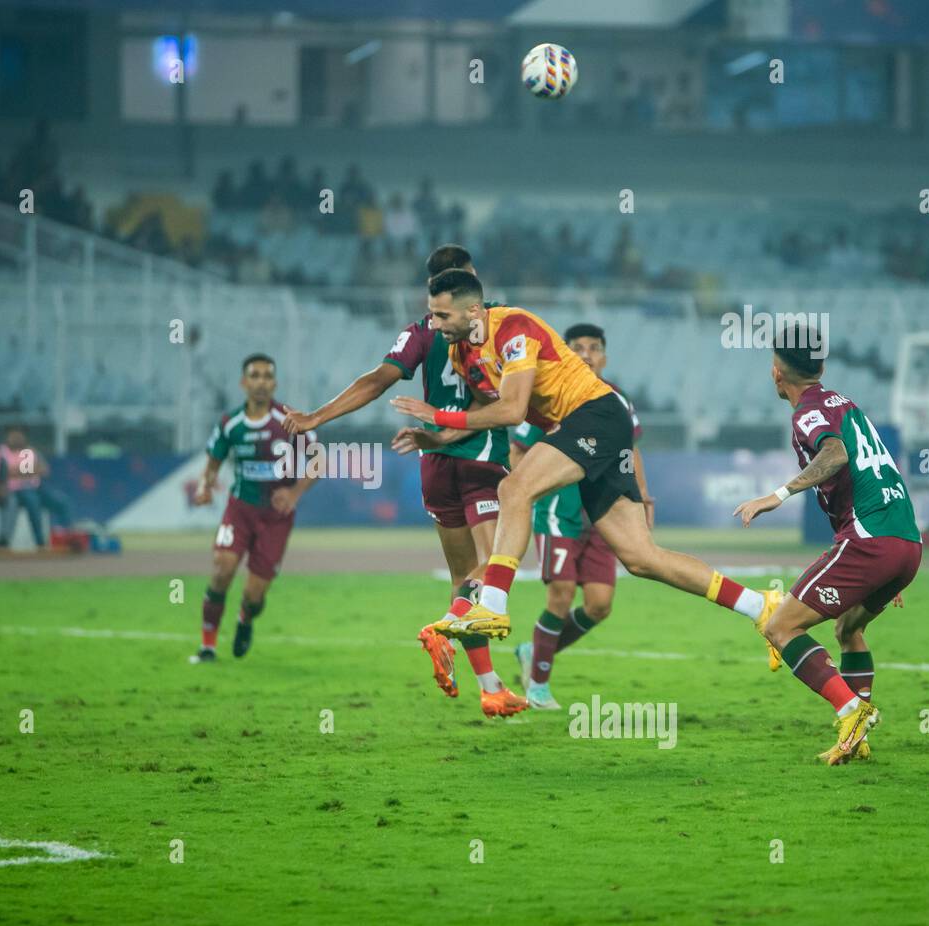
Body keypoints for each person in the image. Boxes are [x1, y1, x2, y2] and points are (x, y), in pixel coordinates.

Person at [390, 270, 779, 670]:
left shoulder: (513, 328)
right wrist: (435, 438)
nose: (434, 325)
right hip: (587, 429)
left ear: (473, 309)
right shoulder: (460, 353)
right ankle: (761, 605)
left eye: (441, 316)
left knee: (513, 490)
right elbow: (482, 412)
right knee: (642, 558)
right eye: (432, 316)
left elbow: (511, 410)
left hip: (596, 416)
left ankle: (492, 604)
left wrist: (436, 415)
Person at [285, 244, 526, 717]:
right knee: (498, 563)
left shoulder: (419, 331)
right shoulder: (495, 322)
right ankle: (443, 630)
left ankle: (491, 685)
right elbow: (505, 393)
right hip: (478, 456)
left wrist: (318, 416)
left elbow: (379, 379)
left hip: (434, 462)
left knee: (464, 577)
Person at [734, 329, 923, 765]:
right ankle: (855, 740)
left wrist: (775, 496)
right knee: (849, 629)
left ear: (777, 373)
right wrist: (893, 560)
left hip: (870, 541)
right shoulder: (844, 403)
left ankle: (852, 710)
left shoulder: (808, 414)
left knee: (780, 628)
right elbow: (881, 471)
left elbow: (835, 454)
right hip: (904, 540)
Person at [510, 323, 653, 709]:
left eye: (594, 347)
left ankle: (534, 651)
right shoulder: (544, 394)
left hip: (604, 512)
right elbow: (518, 450)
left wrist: (644, 498)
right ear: (564, 353)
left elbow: (631, 451)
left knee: (599, 605)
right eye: (578, 347)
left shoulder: (617, 400)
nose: (586, 354)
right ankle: (538, 687)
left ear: (605, 356)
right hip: (559, 508)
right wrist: (520, 494)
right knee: (560, 595)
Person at [190, 355, 317, 663]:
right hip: (240, 509)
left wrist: (294, 492)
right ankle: (207, 646)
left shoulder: (289, 420)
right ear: (243, 383)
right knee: (222, 568)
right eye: (255, 375)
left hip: (276, 517)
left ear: (274, 383)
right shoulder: (230, 424)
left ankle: (245, 619)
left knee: (254, 594)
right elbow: (213, 463)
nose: (261, 381)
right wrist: (205, 486)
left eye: (267, 376)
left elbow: (317, 462)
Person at [0, 425, 71, 549]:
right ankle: (40, 541)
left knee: (62, 502)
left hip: (36, 488)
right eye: (13, 436)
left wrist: (21, 471)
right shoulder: (1, 452)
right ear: (7, 437)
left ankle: (68, 537)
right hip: (15, 491)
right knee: (32, 500)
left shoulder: (30, 451)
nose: (17, 439)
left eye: (19, 436)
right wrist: (30, 470)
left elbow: (45, 470)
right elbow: (5, 473)